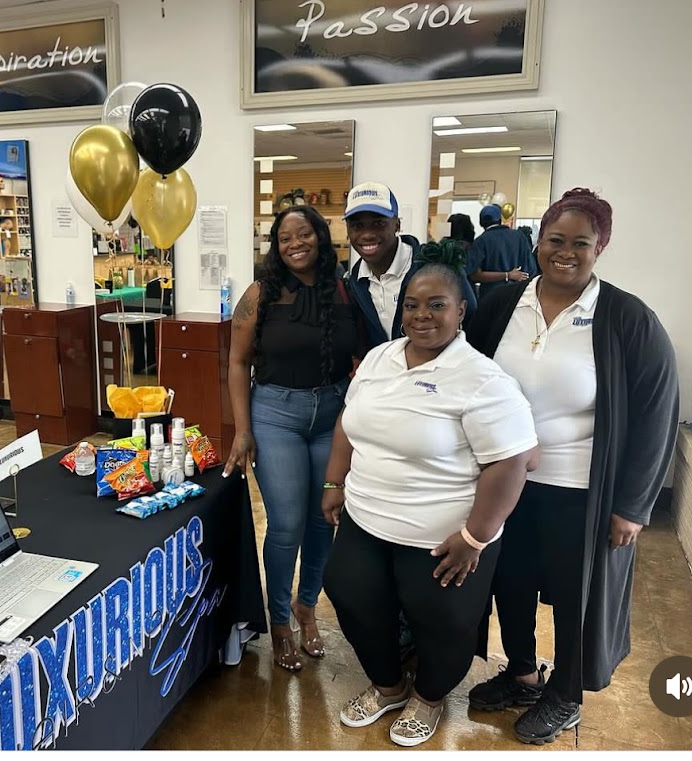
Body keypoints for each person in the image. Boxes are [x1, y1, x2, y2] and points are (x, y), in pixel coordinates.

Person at [465, 188, 679, 744]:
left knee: (574, 594)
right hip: (507, 483)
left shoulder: (626, 317)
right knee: (510, 582)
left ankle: (565, 693)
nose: (566, 252)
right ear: (538, 243)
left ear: (599, 247)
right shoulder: (503, 306)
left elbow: (658, 412)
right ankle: (521, 674)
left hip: (582, 488)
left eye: (580, 243)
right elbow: (468, 378)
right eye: (555, 240)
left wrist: (634, 506)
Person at [322, 263, 538, 747]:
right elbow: (347, 422)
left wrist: (474, 537)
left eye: (437, 305)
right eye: (412, 305)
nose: (422, 315)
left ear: (460, 311)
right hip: (366, 519)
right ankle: (389, 687)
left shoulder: (482, 378)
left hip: (444, 537)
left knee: (443, 622)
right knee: (351, 596)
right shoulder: (379, 359)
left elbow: (513, 462)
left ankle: (429, 697)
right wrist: (334, 482)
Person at [224, 205, 359, 672]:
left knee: (324, 519)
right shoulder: (259, 294)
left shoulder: (344, 289)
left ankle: (307, 607)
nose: (295, 244)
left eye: (304, 234)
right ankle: (279, 620)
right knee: (285, 524)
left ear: (321, 237)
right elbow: (237, 363)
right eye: (285, 238)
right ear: (275, 246)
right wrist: (242, 429)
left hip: (332, 416)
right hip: (275, 415)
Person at [343, 182, 477, 352]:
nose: (367, 234)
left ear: (397, 225)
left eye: (378, 224)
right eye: (357, 226)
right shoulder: (355, 281)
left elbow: (471, 317)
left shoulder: (435, 266)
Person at [466, 204, 538, 299]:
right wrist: (510, 276)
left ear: (481, 223)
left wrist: (506, 275)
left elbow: (475, 275)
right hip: (517, 295)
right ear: (500, 219)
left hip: (490, 297)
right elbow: (531, 270)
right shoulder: (519, 237)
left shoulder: (480, 241)